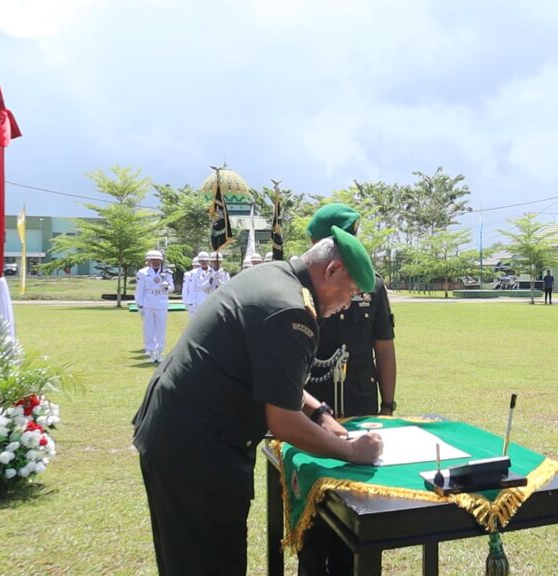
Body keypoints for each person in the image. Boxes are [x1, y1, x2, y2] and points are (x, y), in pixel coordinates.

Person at [132, 229, 384, 576]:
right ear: (332, 271)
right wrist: (355, 452)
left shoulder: (275, 278)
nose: (347, 303)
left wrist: (320, 411)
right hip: (198, 453)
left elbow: (271, 374)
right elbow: (283, 422)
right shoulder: (291, 310)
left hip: (181, 438)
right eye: (351, 292)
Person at [299, 203, 398, 576]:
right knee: (313, 517)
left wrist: (387, 406)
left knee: (356, 511)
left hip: (360, 403)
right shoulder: (304, 288)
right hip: (311, 408)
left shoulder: (372, 286)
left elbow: (384, 346)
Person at [135, 250, 174, 363]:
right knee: (149, 329)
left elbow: (172, 288)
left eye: (157, 260)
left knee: (161, 329)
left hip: (161, 302)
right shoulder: (143, 272)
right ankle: (151, 352)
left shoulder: (167, 272)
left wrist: (166, 286)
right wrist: (140, 305)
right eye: (153, 260)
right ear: (149, 261)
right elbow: (140, 290)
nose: (155, 262)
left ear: (161, 260)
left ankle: (159, 352)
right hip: (148, 302)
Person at [186, 251, 212, 316]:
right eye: (201, 261)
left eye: (205, 260)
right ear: (199, 261)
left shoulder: (213, 271)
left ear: (208, 261)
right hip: (198, 300)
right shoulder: (194, 273)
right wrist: (191, 302)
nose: (203, 262)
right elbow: (192, 289)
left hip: (210, 298)